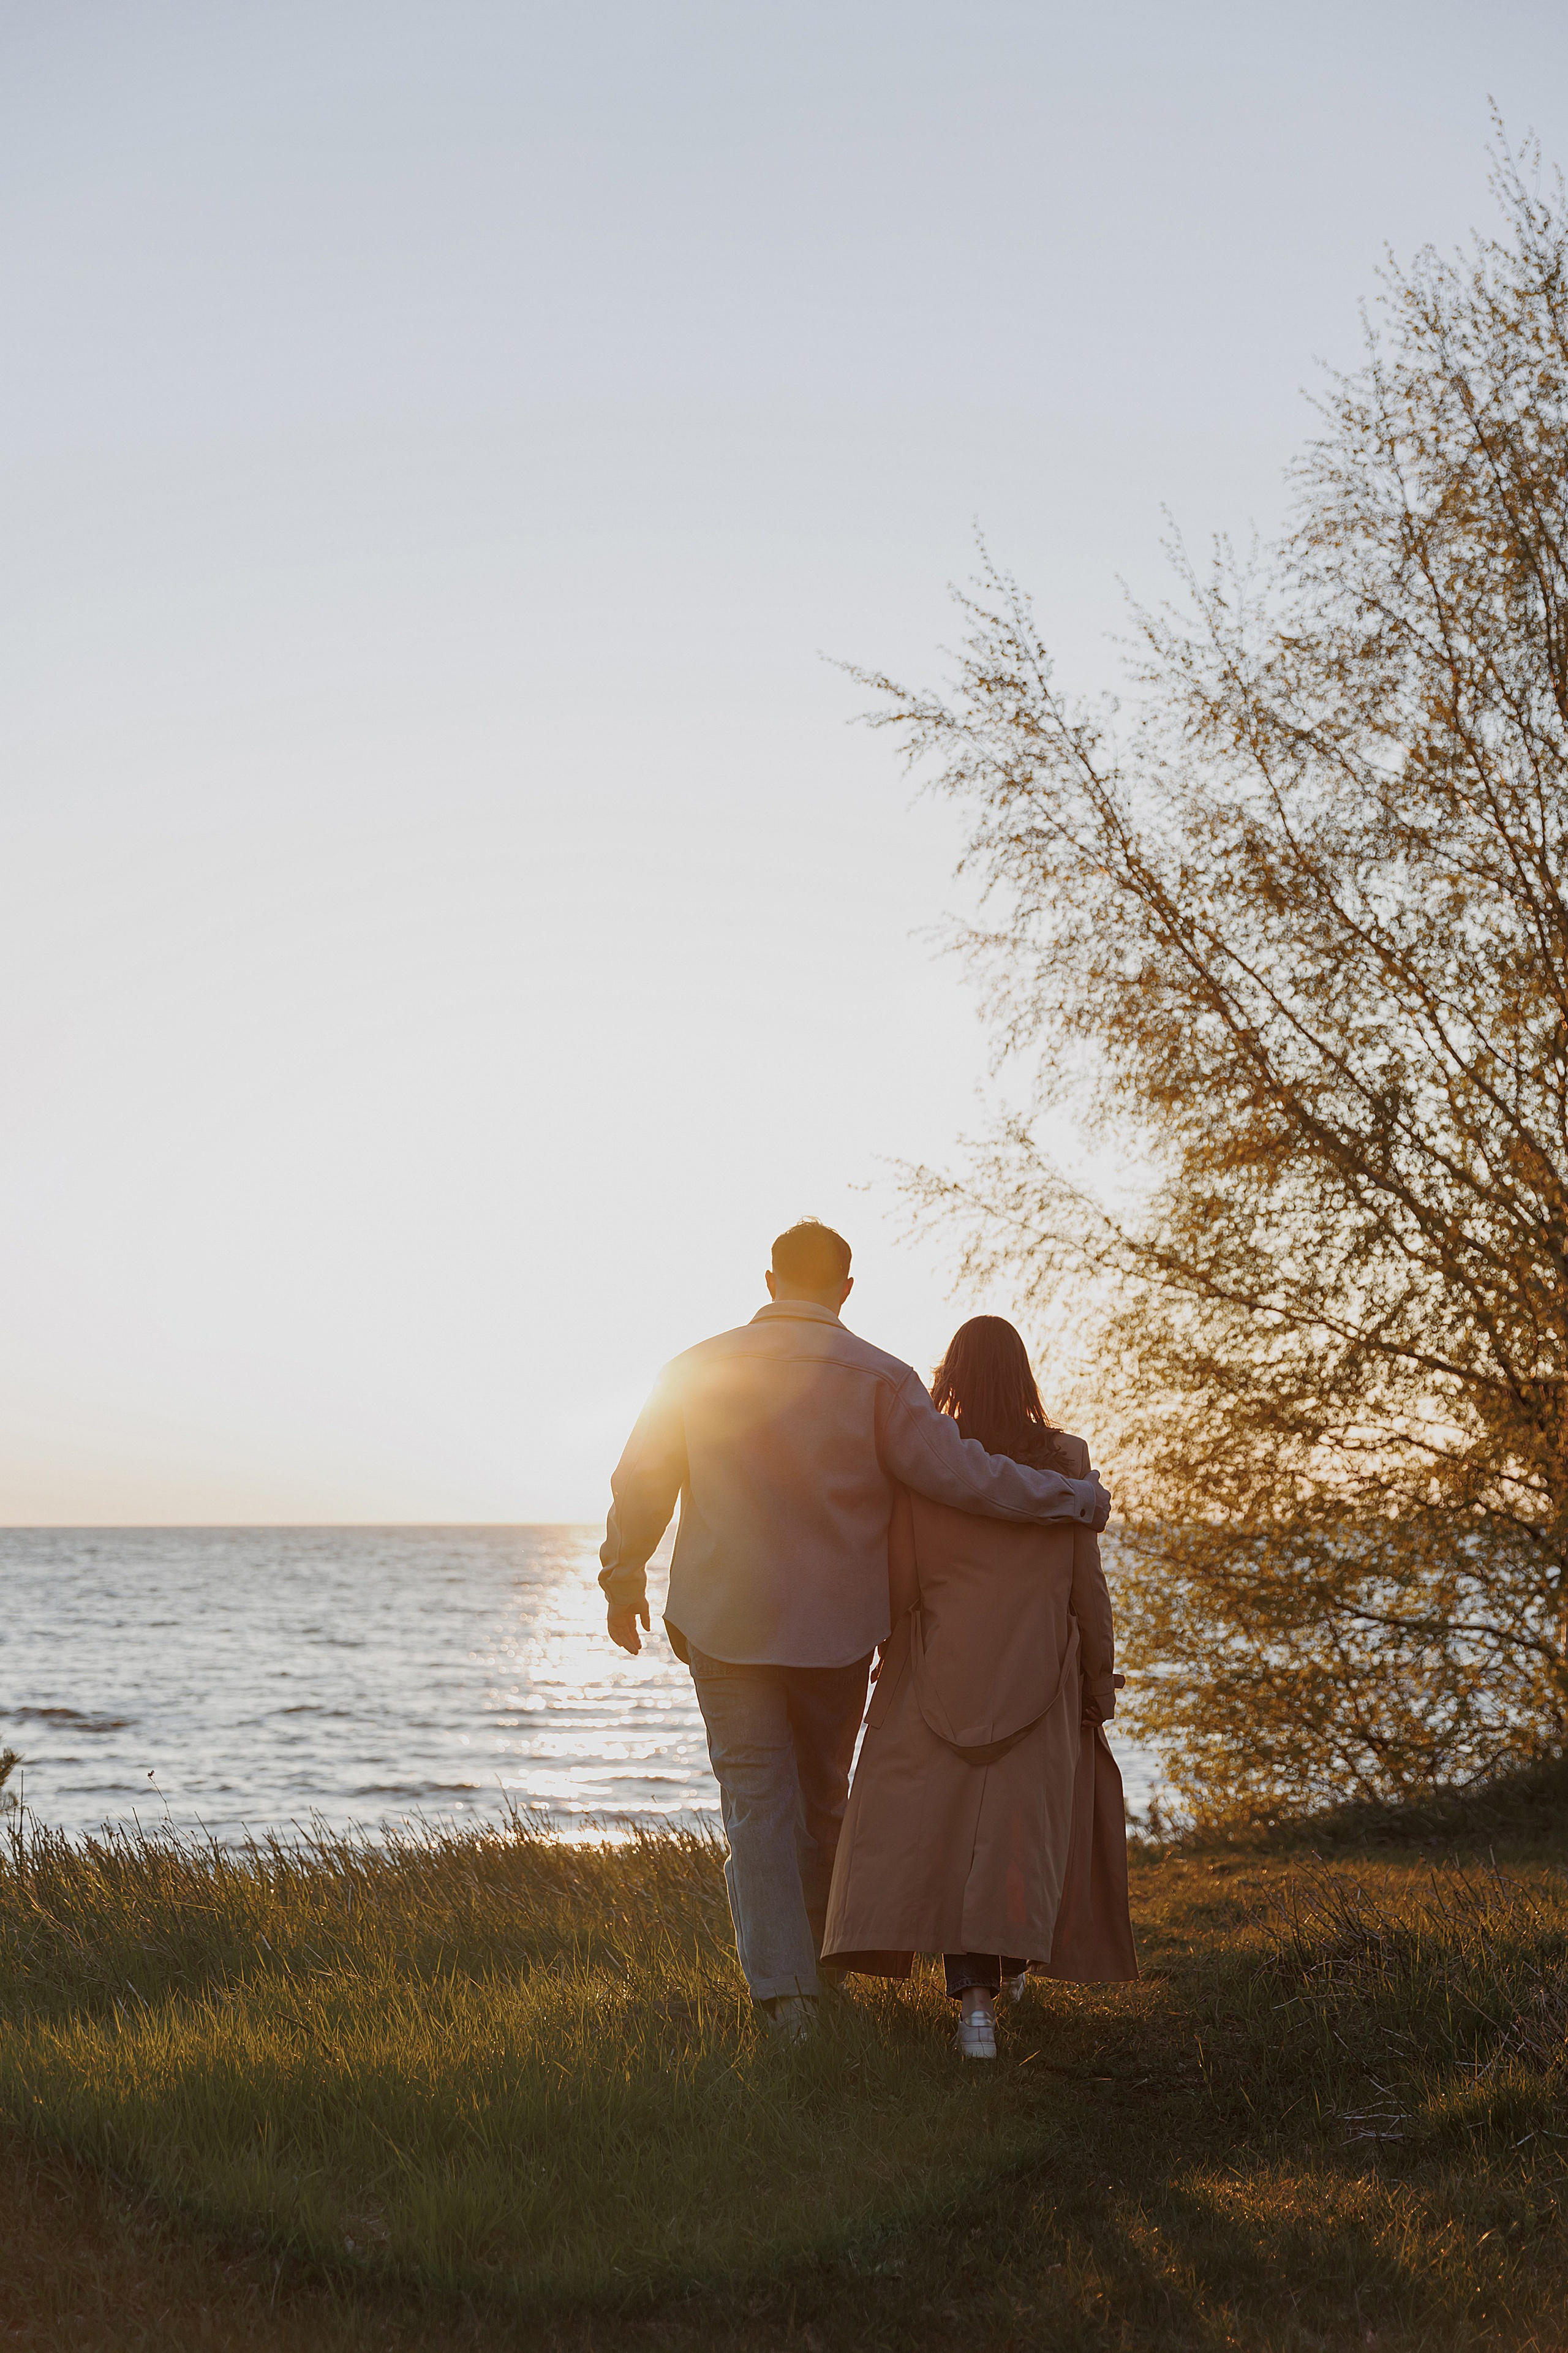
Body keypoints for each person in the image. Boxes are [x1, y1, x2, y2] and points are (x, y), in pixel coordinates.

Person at [599, 1222, 1112, 2041]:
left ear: (770, 1281)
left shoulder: (693, 1369)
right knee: (822, 1800)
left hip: (724, 1623)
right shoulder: (881, 1377)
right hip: (835, 1632)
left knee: (755, 1806)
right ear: (845, 1288)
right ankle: (825, 1975)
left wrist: (621, 1576)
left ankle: (789, 2001)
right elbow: (965, 1476)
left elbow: (642, 1483)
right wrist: (1072, 1499)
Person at [820, 1315, 1137, 2058]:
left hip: (939, 1667)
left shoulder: (929, 1461)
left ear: (951, 1375)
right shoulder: (1065, 1458)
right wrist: (1099, 1681)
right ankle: (1010, 1968)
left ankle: (974, 2012)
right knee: (1015, 1829)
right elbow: (1084, 1589)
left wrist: (877, 1662)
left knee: (948, 1834)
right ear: (1023, 1377)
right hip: (1039, 1670)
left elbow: (899, 1582)